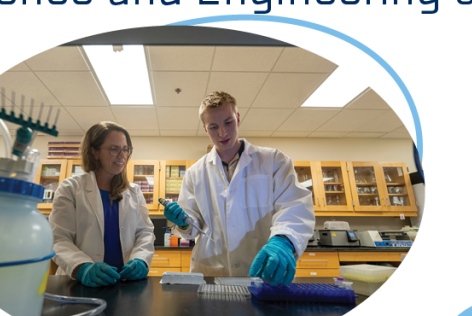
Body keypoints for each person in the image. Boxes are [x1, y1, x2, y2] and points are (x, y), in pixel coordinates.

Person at [164, 91, 315, 285]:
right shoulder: (194, 173)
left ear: (237, 118)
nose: (222, 133)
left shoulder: (274, 161)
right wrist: (184, 222)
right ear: (204, 129)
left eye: (228, 122)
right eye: (213, 127)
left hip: (262, 271)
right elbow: (193, 226)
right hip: (211, 272)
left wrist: (284, 240)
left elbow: (294, 205)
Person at [50, 121, 155, 287]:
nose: (122, 155)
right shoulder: (71, 188)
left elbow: (145, 232)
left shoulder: (134, 192)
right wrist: (82, 267)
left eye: (126, 149)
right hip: (81, 285)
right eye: (114, 149)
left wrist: (141, 260)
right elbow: (58, 239)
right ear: (94, 152)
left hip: (124, 282)